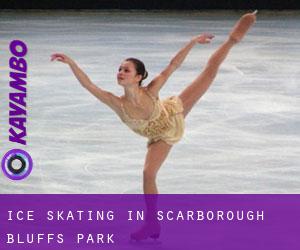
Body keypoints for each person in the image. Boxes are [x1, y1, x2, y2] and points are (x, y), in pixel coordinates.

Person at [51, 11, 257, 240]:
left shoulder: (151, 90)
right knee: (148, 174)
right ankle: (151, 223)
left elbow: (174, 65)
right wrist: (71, 63)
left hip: (175, 112)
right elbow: (88, 85)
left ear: (138, 77)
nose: (120, 73)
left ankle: (232, 40)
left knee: (208, 72)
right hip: (161, 137)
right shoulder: (116, 103)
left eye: (126, 70)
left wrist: (192, 42)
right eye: (119, 69)